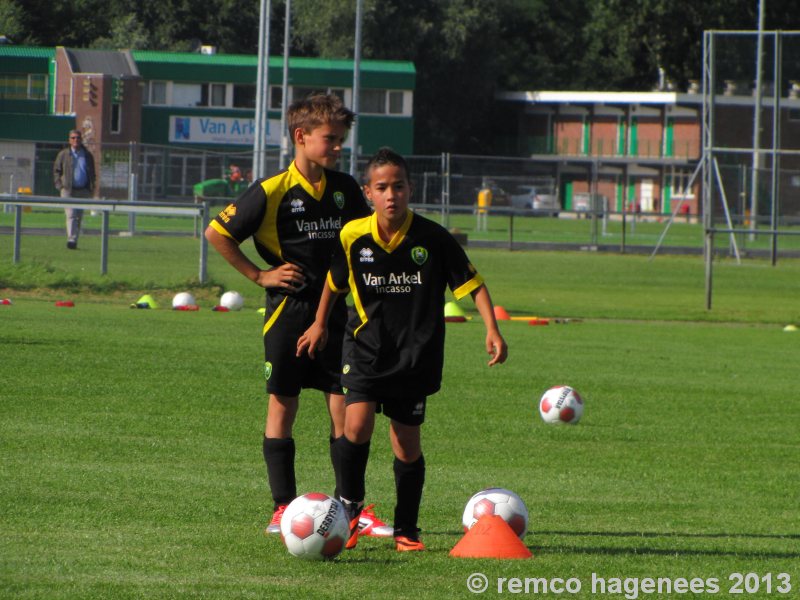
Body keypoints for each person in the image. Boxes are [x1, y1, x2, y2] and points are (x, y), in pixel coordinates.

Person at [297, 147, 508, 552]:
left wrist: (492, 329)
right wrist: (320, 322)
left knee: (405, 443)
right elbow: (334, 281)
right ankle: (350, 511)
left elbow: (473, 283)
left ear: (410, 189)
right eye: (382, 187)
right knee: (355, 427)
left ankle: (407, 529)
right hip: (364, 349)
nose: (391, 194)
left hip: (415, 355)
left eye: (398, 186)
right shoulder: (352, 235)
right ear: (368, 193)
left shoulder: (432, 237)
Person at [204, 94, 391, 539]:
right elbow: (217, 232)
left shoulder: (345, 188)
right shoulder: (271, 191)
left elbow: (364, 240)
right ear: (300, 136)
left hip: (340, 314)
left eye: (341, 140)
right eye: (330, 139)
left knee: (345, 411)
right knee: (282, 406)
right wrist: (259, 275)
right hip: (288, 313)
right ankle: (282, 508)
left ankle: (350, 508)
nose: (338, 147)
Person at [53, 129, 96, 249]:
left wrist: (91, 187)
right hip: (68, 190)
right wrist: (60, 186)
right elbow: (56, 171)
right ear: (69, 140)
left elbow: (92, 172)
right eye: (73, 138)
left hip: (83, 190)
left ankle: (74, 239)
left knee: (78, 217)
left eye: (77, 138)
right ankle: (71, 239)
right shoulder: (64, 154)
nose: (75, 140)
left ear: (81, 139)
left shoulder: (87, 155)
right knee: (71, 214)